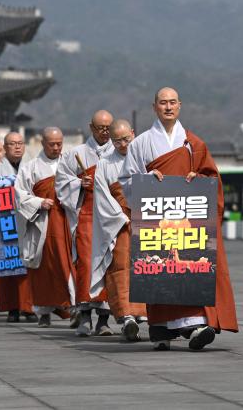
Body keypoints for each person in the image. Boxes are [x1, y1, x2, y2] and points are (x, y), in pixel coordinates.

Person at [118, 86, 238, 350]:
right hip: (156, 222)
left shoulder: (193, 144)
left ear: (180, 106)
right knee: (160, 269)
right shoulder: (141, 144)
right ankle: (160, 327)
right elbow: (125, 182)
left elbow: (213, 179)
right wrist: (147, 180)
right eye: (163, 103)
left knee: (189, 268)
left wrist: (199, 180)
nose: (168, 107)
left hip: (187, 223)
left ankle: (194, 326)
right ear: (154, 107)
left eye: (173, 102)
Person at [56, 110, 115, 336]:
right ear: (91, 127)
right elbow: (61, 182)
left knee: (109, 264)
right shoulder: (76, 153)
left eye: (108, 127)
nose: (104, 132)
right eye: (100, 128)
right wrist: (79, 183)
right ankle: (84, 316)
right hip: (87, 216)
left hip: (111, 216)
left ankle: (104, 320)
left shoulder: (118, 151)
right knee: (87, 264)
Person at [91, 119, 146, 341]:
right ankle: (126, 318)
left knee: (148, 263)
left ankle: (147, 313)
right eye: (117, 141)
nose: (123, 145)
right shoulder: (105, 163)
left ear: (133, 133)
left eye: (126, 139)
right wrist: (120, 217)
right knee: (120, 266)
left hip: (145, 219)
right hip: (120, 222)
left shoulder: (145, 156)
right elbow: (102, 196)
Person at [15, 127, 75, 328]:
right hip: (42, 224)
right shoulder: (30, 167)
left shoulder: (70, 164)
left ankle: (74, 307)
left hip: (67, 221)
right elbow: (19, 195)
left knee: (68, 264)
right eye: (52, 144)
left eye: (60, 143)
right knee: (43, 268)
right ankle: (43, 311)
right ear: (43, 143)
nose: (57, 147)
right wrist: (39, 202)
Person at [0, 132, 36, 323]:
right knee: (8, 264)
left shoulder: (33, 168)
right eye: (12, 144)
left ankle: (29, 308)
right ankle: (12, 309)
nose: (17, 147)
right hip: (5, 226)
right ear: (5, 147)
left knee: (28, 267)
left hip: (28, 224)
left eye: (20, 143)